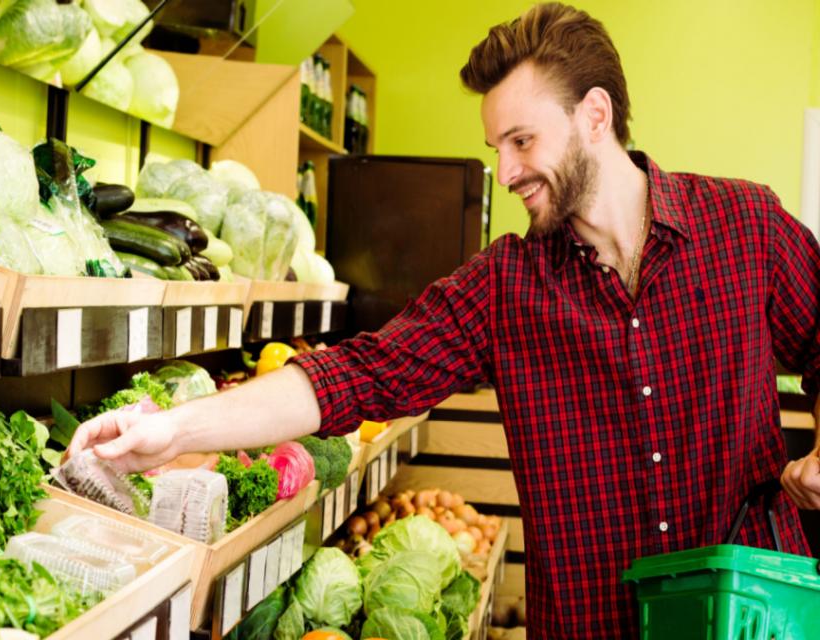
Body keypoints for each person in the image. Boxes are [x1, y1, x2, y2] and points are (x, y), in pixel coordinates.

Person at [68, 3, 820, 637]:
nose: (508, 171)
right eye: (496, 148)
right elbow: (358, 375)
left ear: (596, 115)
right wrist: (177, 430)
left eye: (522, 141)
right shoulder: (506, 288)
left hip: (758, 615)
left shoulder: (742, 228)